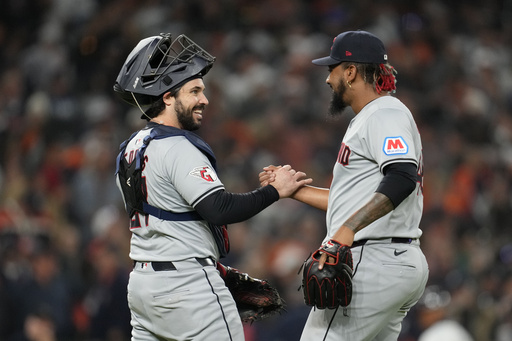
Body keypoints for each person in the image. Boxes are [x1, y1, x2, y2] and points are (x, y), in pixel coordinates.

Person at [112, 33, 311, 341]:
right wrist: (276, 191)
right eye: (194, 91)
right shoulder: (177, 146)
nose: (204, 99)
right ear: (167, 96)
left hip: (143, 286)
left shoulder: (130, 148)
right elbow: (219, 209)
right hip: (188, 287)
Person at [260, 30, 429, 340]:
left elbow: (402, 177)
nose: (327, 80)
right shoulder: (374, 116)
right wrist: (292, 189)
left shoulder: (384, 112)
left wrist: (346, 230)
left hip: (374, 259)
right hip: (393, 260)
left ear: (350, 71)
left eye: (332, 70)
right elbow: (354, 200)